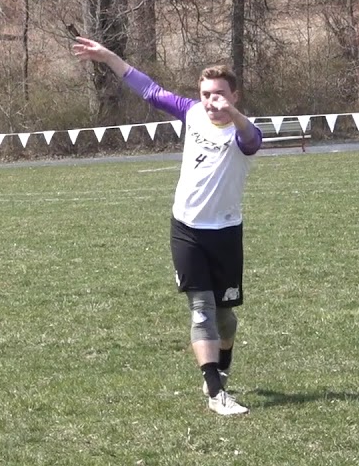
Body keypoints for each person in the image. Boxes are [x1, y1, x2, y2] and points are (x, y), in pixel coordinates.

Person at [73, 38, 261, 416]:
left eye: (220, 94)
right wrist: (107, 56)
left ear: (234, 94)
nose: (212, 101)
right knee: (202, 309)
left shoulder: (242, 131)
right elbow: (148, 88)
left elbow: (252, 141)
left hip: (225, 233)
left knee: (226, 319)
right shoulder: (190, 114)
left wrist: (235, 114)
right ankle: (214, 392)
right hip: (186, 228)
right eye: (206, 94)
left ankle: (222, 370)